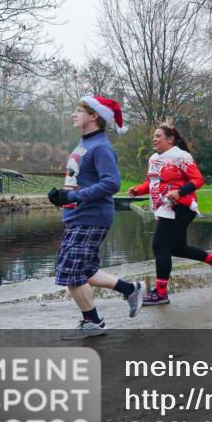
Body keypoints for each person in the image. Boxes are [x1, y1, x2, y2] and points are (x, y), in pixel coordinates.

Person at [48, 96, 143, 338]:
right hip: (78, 216)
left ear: (94, 116)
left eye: (78, 110)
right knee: (85, 270)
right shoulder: (84, 144)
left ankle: (93, 322)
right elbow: (80, 180)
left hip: (91, 217)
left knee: (70, 272)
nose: (73, 114)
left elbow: (112, 183)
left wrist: (72, 198)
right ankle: (130, 289)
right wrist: (61, 196)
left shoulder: (101, 146)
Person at [128, 123, 212, 305]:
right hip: (165, 208)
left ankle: (160, 294)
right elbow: (152, 183)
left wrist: (179, 192)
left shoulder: (181, 157)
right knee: (177, 248)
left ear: (170, 139)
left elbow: (198, 180)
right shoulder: (153, 158)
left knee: (159, 245)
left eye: (158, 136)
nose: (154, 139)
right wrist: (138, 190)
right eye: (154, 136)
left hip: (181, 207)